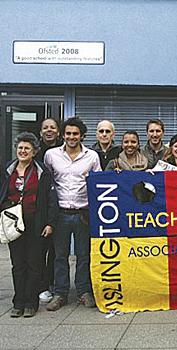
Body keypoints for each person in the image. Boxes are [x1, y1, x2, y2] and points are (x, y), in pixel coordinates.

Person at [44, 117, 101, 311]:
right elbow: (48, 182)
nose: (71, 137)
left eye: (75, 133)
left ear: (82, 135)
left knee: (83, 255)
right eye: (68, 133)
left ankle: (84, 292)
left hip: (83, 213)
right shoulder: (51, 155)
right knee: (60, 256)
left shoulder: (92, 156)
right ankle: (60, 293)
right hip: (60, 213)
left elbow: (98, 184)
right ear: (62, 134)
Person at [0, 132, 58, 317]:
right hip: (14, 222)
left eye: (27, 148)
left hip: (35, 222)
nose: (23, 151)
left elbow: (51, 199)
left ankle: (31, 303)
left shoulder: (42, 171)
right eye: (20, 148)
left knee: (34, 264)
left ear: (34, 152)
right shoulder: (8, 170)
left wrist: (50, 223)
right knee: (18, 264)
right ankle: (18, 302)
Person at [35, 118, 62, 304]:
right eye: (46, 128)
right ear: (41, 132)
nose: (49, 130)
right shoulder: (34, 152)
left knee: (55, 250)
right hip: (39, 207)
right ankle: (40, 285)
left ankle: (52, 284)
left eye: (53, 127)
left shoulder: (62, 151)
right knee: (38, 249)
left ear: (58, 132)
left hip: (59, 205)